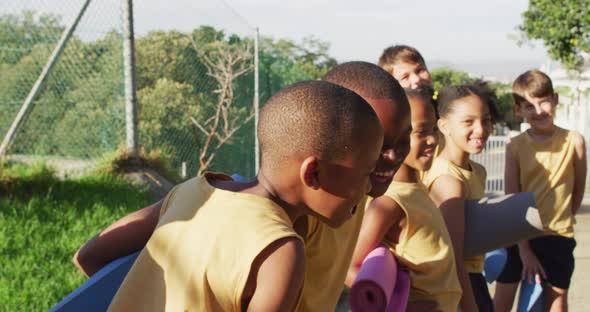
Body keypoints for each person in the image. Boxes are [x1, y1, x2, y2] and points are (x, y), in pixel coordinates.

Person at [75, 80, 385, 312]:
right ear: (313, 173)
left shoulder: (192, 192)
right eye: (366, 172)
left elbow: (89, 256)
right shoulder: (280, 250)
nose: (370, 187)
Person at [297, 61, 411, 312]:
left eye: (405, 139)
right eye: (378, 143)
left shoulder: (357, 192)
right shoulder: (297, 220)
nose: (393, 156)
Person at [348, 87, 462, 312]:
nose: (431, 139)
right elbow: (349, 267)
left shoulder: (416, 186)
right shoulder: (389, 202)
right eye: (420, 132)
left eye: (433, 129)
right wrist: (402, 304)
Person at [494, 70, 587, 312]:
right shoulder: (514, 146)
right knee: (502, 302)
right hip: (519, 237)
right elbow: (513, 199)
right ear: (518, 110)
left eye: (543, 101)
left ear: (555, 99)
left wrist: (563, 219)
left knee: (556, 302)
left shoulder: (574, 141)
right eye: (528, 105)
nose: (538, 110)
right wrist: (524, 250)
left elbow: (577, 191)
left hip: (558, 237)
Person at [421, 84, 495, 312]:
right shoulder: (449, 181)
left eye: (486, 120)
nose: (480, 129)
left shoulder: (476, 170)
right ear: (443, 125)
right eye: (468, 122)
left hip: (473, 279)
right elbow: (454, 258)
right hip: (460, 288)